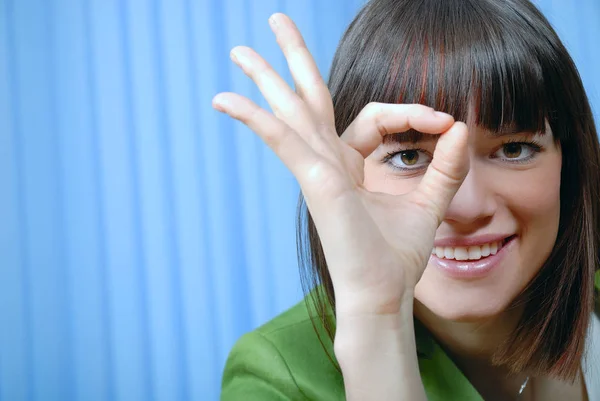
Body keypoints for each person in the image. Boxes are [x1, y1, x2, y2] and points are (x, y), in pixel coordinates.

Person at [212, 0, 600, 399]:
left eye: (514, 149)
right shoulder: (274, 377)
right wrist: (376, 318)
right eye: (409, 157)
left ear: (568, 165)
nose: (466, 207)